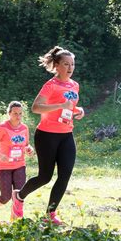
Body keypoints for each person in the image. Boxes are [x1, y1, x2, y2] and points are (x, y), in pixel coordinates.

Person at [11, 46, 85, 225]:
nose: (70, 67)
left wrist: (78, 110)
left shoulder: (74, 85)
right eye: (66, 64)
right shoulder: (50, 85)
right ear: (57, 66)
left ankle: (50, 215)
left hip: (66, 135)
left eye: (72, 64)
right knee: (45, 176)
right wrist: (60, 105)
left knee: (65, 174)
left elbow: (69, 107)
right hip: (47, 135)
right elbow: (36, 107)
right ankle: (19, 197)